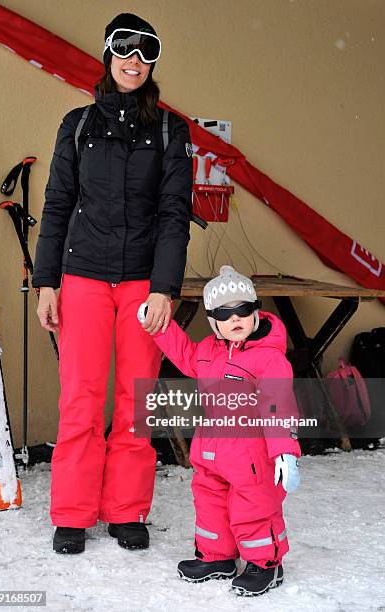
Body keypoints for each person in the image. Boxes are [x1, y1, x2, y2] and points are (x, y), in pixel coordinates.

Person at [32, 12, 193, 554]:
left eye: (146, 52)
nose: (134, 61)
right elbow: (56, 206)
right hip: (82, 277)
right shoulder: (78, 124)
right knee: (80, 398)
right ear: (107, 54)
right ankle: (73, 514)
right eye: (124, 49)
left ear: (154, 62)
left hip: (143, 283)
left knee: (135, 400)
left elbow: (174, 214)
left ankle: (127, 510)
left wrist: (165, 289)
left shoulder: (171, 130)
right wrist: (46, 281)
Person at [141, 266, 301, 596]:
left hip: (252, 457)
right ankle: (217, 557)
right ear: (213, 320)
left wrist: (285, 452)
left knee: (254, 507)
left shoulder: (269, 360)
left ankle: (266, 564)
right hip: (211, 452)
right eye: (225, 314)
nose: (235, 318)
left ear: (255, 311)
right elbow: (184, 353)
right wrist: (160, 327)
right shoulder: (209, 351)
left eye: (243, 309)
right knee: (210, 505)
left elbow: (278, 406)